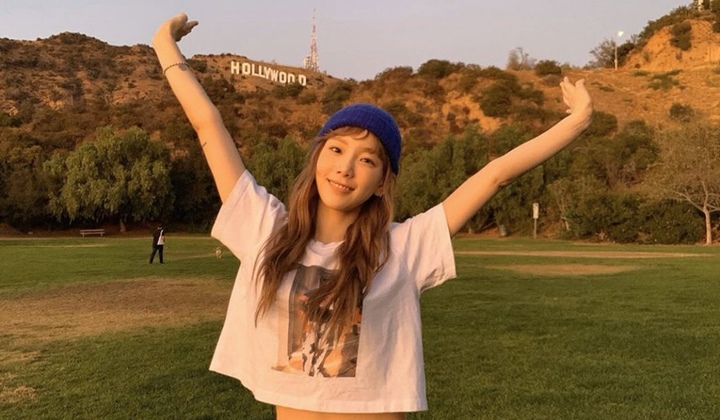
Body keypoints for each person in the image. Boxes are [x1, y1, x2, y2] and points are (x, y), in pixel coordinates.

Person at [152, 12, 593, 419]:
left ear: (382, 181)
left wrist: (576, 122)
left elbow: (495, 175)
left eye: (367, 159)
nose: (345, 168)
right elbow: (208, 124)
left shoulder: (403, 247)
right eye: (337, 149)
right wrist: (164, 45)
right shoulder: (266, 230)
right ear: (318, 156)